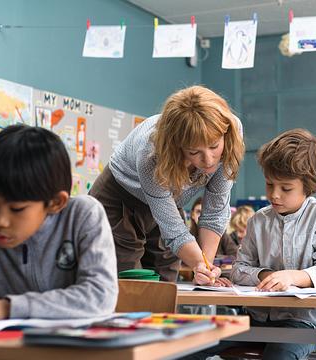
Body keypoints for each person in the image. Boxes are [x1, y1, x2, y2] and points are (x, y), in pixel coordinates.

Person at [0, 125, 118, 321]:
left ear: (55, 202)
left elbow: (99, 296)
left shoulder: (82, 216)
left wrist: (7, 307)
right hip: (8, 350)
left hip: (78, 348)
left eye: (16, 209)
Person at [89, 85, 244, 284]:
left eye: (214, 146)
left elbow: (215, 211)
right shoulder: (151, 154)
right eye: (194, 152)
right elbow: (174, 230)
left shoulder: (231, 129)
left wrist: (206, 267)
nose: (209, 160)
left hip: (169, 200)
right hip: (120, 198)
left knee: (166, 279)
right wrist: (198, 264)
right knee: (129, 282)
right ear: (177, 147)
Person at [229, 129, 316, 359]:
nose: (274, 195)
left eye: (286, 188)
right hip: (257, 318)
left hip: (304, 321)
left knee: (278, 356)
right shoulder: (258, 220)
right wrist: (265, 275)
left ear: (308, 185)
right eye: (269, 184)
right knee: (192, 344)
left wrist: (291, 277)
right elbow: (238, 269)